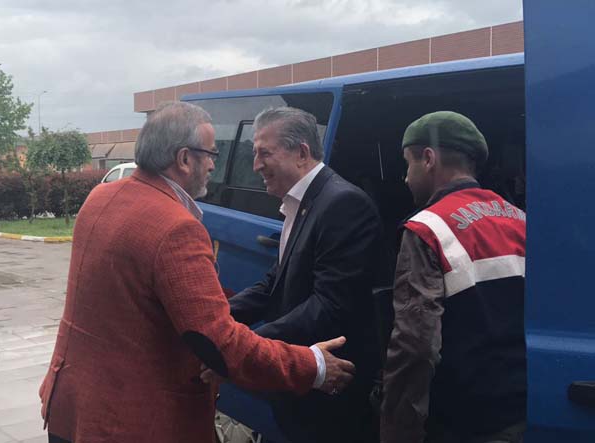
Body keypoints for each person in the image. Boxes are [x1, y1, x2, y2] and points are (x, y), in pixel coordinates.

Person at [38, 102, 356, 443]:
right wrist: (312, 366)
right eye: (211, 154)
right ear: (185, 159)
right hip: (130, 422)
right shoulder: (175, 227)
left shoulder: (101, 197)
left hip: (71, 405)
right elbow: (220, 345)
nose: (214, 165)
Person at [227, 107, 386, 443]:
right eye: (254, 154)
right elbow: (275, 282)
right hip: (303, 382)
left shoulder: (343, 204)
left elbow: (330, 304)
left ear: (301, 153)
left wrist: (251, 345)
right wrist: (220, 319)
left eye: (264, 153)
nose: (255, 165)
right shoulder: (301, 203)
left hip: (330, 391)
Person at [381, 111, 527, 443]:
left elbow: (415, 345)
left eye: (408, 163)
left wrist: (398, 430)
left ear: (428, 159)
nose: (405, 177)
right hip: (524, 408)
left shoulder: (426, 229)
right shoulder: (520, 219)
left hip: (465, 421)